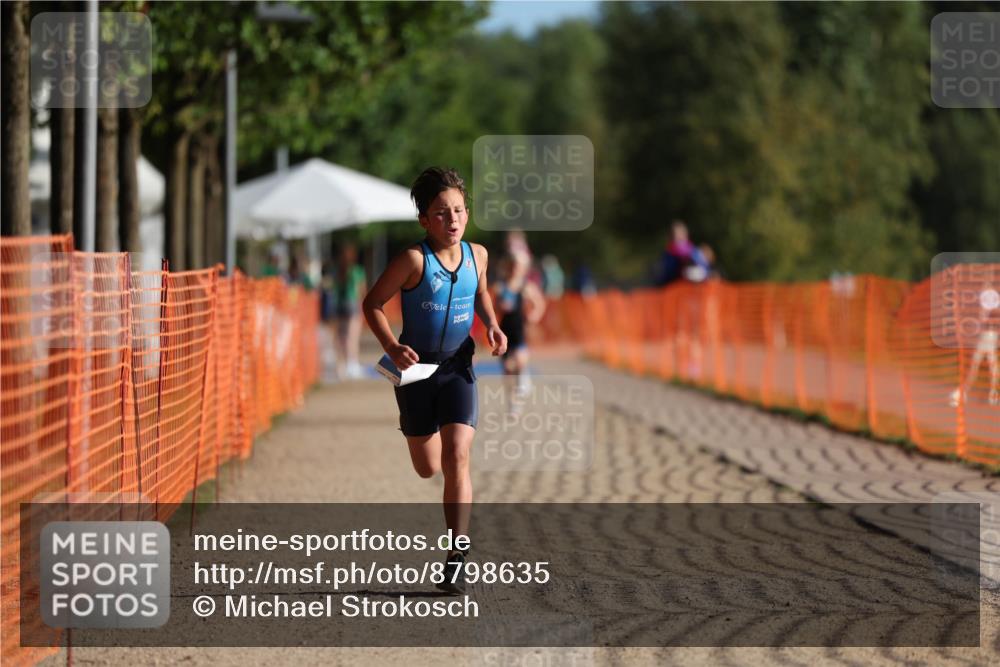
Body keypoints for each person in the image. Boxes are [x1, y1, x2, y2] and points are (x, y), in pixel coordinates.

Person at [362, 167, 507, 595]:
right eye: (442, 213)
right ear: (424, 219)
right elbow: (372, 304)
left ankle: (456, 555)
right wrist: (391, 347)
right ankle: (429, 441)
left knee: (457, 456)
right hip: (413, 369)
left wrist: (493, 325)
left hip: (458, 365)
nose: (453, 219)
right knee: (427, 467)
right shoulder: (412, 260)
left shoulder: (478, 254)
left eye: (459, 210)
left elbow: (480, 292)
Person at [493, 253, 547, 410]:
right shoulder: (500, 286)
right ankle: (513, 402)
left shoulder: (526, 286)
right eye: (513, 266)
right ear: (508, 267)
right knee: (508, 369)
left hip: (520, 330)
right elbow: (494, 308)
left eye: (518, 267)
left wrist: (534, 316)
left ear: (523, 269)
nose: (515, 270)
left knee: (520, 361)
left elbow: (539, 303)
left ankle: (524, 379)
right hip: (505, 330)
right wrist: (500, 306)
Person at [950, 281, 1000, 407]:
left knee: (990, 367)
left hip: (990, 339)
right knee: (976, 366)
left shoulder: (994, 308)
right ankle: (965, 392)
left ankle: (993, 394)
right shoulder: (985, 308)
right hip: (985, 339)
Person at [329, 243, 366, 378]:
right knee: (352, 336)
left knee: (339, 336)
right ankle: (352, 364)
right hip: (352, 304)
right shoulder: (357, 270)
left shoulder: (336, 270)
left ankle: (341, 366)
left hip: (338, 304)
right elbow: (361, 290)